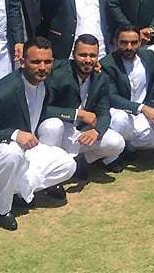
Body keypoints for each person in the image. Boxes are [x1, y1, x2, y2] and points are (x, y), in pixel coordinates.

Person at [0, 37, 76, 230]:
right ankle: (1, 209)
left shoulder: (44, 84)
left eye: (47, 62)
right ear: (22, 62)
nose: (42, 67)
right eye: (36, 62)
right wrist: (13, 133)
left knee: (68, 165)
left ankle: (21, 191)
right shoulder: (5, 92)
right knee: (11, 153)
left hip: (23, 152)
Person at [36, 35, 125, 180]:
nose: (88, 60)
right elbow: (43, 110)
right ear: (73, 55)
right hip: (59, 130)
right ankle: (49, 170)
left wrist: (96, 131)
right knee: (52, 126)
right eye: (82, 55)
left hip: (80, 133)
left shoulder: (100, 77)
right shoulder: (58, 74)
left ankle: (78, 160)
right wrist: (77, 114)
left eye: (92, 55)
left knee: (117, 143)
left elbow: (104, 113)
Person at [101, 26, 154, 170]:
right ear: (116, 42)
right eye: (124, 42)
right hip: (117, 112)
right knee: (121, 119)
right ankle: (111, 157)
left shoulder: (148, 57)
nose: (129, 47)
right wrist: (142, 108)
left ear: (140, 43)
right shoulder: (107, 64)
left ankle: (128, 146)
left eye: (134, 43)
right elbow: (111, 97)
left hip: (140, 115)